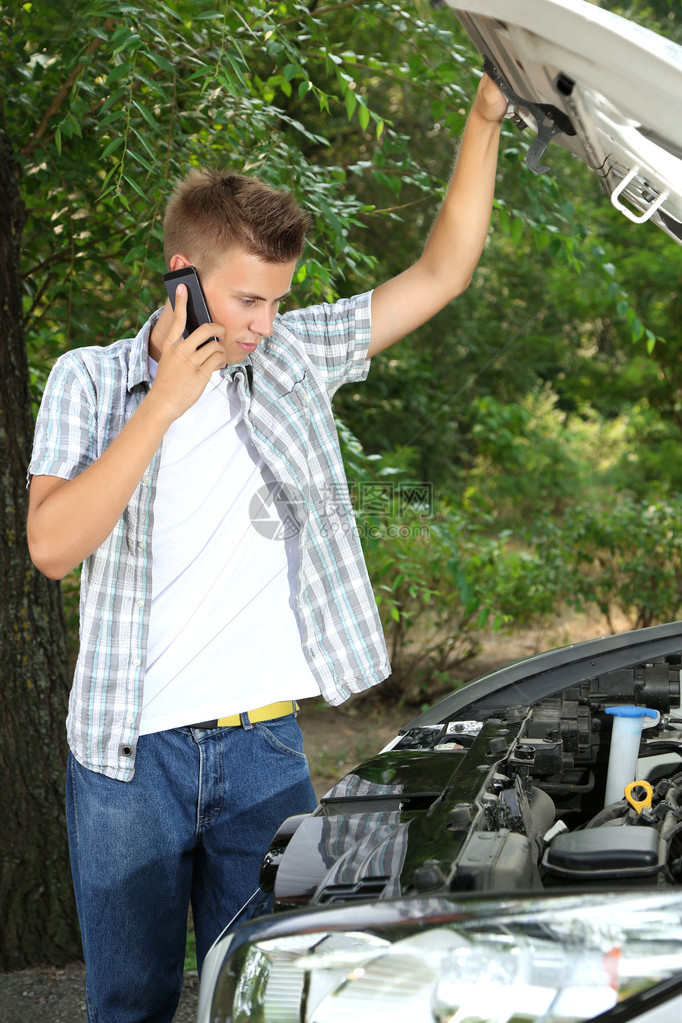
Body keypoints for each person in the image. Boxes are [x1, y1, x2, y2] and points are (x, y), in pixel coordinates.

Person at [26, 73, 507, 1023]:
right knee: (131, 1004)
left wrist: (487, 117)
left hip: (263, 750)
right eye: (248, 300)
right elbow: (52, 545)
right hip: (129, 759)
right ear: (182, 272)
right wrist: (164, 401)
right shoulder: (89, 381)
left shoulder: (287, 358)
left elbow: (441, 272)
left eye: (277, 302)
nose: (263, 326)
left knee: (279, 1001)